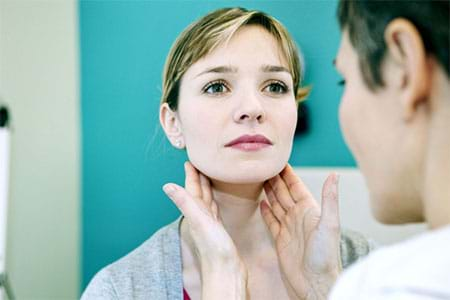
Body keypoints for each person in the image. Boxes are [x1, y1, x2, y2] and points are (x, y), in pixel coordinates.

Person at [81, 7, 372, 300]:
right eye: (217, 87)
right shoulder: (119, 290)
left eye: (275, 86)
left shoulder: (366, 266)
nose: (252, 108)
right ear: (173, 123)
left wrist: (326, 291)